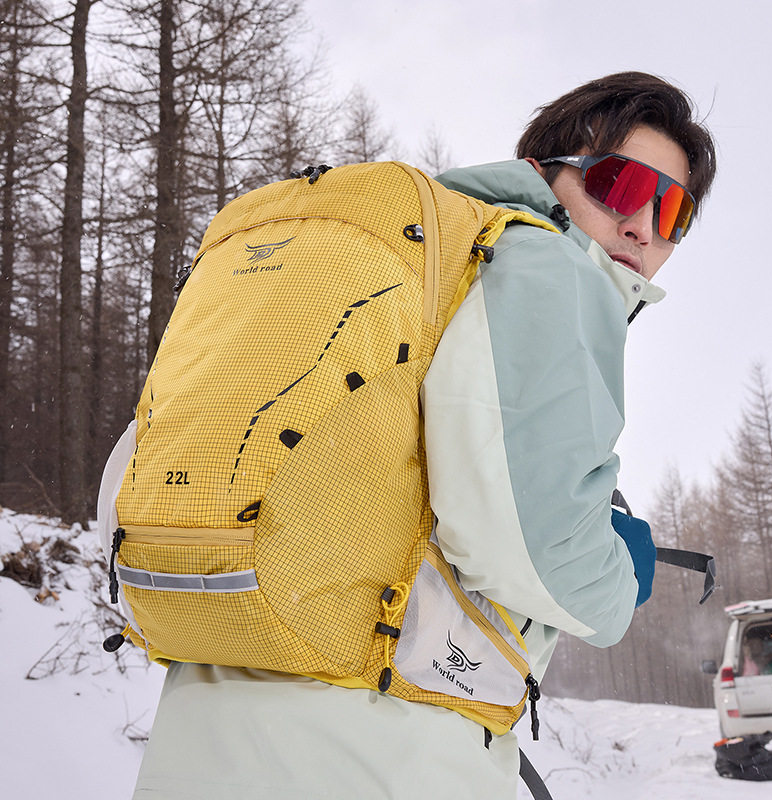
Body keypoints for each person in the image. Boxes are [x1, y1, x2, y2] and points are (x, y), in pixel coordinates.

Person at [125, 72, 716, 799]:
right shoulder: (543, 265)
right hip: (382, 757)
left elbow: (131, 481)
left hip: (195, 747)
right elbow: (541, 552)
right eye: (622, 187)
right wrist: (619, 576)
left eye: (674, 211)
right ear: (542, 174)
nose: (644, 227)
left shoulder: (380, 267)